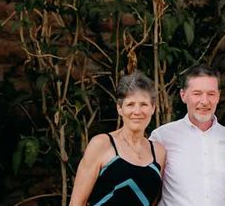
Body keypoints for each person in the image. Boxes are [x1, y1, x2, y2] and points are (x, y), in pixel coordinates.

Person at [150, 65, 225, 206]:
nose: (205, 101)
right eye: (197, 93)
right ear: (183, 95)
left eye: (211, 94)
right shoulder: (162, 137)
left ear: (218, 96)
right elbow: (151, 192)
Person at [69, 71, 165, 206]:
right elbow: (76, 203)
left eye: (143, 104)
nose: (137, 111)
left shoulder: (159, 152)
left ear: (153, 108)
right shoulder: (101, 144)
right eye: (130, 104)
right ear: (119, 108)